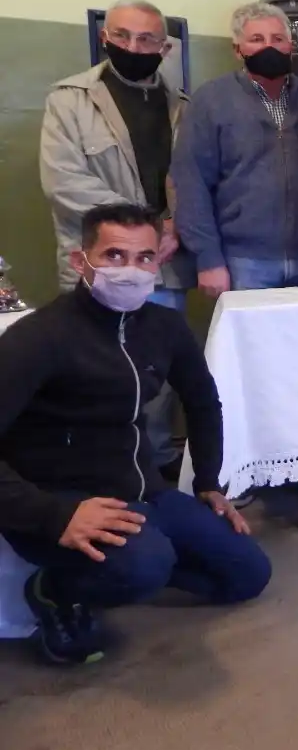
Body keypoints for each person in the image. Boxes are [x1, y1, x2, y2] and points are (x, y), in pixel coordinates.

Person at [0, 204, 270, 665]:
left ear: (158, 261)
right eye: (114, 256)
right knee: (147, 565)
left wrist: (208, 481)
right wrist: (54, 515)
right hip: (62, 502)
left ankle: (142, 557)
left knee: (247, 575)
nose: (130, 270)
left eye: (144, 257)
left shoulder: (165, 328)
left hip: (144, 493)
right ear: (80, 261)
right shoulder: (39, 339)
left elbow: (203, 401)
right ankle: (54, 589)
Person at [40, 0, 190, 475]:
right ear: (105, 37)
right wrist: (144, 230)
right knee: (95, 369)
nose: (133, 46)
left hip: (164, 261)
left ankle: (158, 466)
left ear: (165, 48)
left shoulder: (183, 108)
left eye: (146, 39)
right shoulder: (70, 100)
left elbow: (195, 179)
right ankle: (98, 472)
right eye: (122, 36)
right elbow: (64, 183)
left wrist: (176, 225)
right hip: (100, 263)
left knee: (157, 371)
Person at [171, 2, 298, 296]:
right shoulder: (211, 101)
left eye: (278, 39)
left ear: (291, 46)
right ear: (237, 50)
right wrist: (208, 259)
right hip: (244, 262)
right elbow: (191, 183)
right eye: (257, 39)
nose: (269, 47)